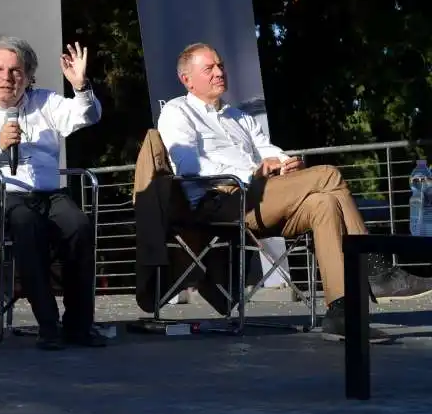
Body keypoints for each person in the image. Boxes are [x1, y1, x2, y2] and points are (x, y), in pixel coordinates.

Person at [157, 42, 432, 342]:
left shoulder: (240, 117)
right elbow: (188, 166)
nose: (219, 72)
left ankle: (341, 313)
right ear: (187, 79)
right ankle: (375, 270)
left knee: (324, 202)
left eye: (220, 65)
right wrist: (252, 172)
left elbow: (267, 149)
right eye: (209, 68)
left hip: (265, 197)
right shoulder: (176, 112)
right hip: (221, 200)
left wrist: (286, 163)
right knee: (328, 174)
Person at [0, 36, 104, 349]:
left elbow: (87, 117)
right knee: (26, 221)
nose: (7, 78)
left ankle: (79, 326)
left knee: (79, 225)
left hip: (44, 195)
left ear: (29, 76)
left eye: (16, 71)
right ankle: (48, 324)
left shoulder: (45, 101)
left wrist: (81, 88)